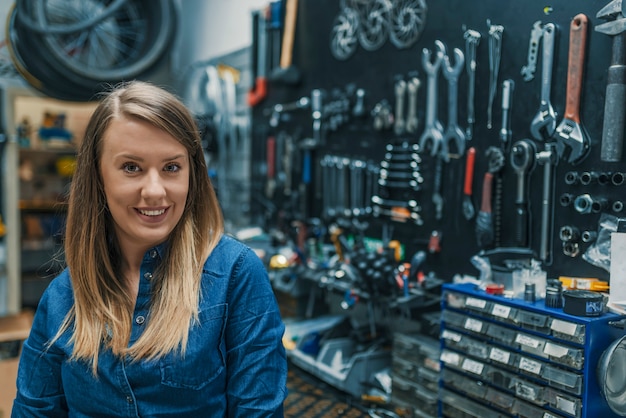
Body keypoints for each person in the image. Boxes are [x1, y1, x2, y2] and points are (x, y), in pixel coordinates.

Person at [12, 81, 288, 417]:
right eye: (132, 168)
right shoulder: (63, 296)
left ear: (192, 175)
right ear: (98, 177)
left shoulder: (235, 274)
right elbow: (33, 410)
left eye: (172, 167)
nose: (155, 191)